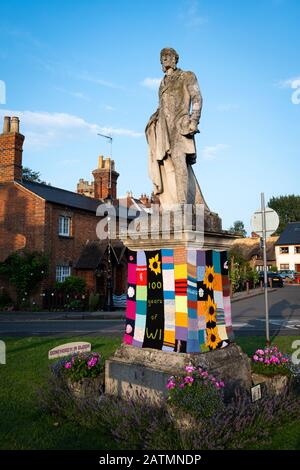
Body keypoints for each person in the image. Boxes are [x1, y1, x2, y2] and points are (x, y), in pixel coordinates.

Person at [146, 47, 208, 209]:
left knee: (180, 164)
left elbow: (197, 98)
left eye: (167, 56)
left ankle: (183, 204)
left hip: (181, 127)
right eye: (162, 57)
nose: (164, 59)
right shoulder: (162, 83)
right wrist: (154, 117)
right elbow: (163, 106)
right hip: (165, 130)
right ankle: (174, 202)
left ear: (175, 59)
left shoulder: (186, 76)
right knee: (169, 166)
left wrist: (194, 120)